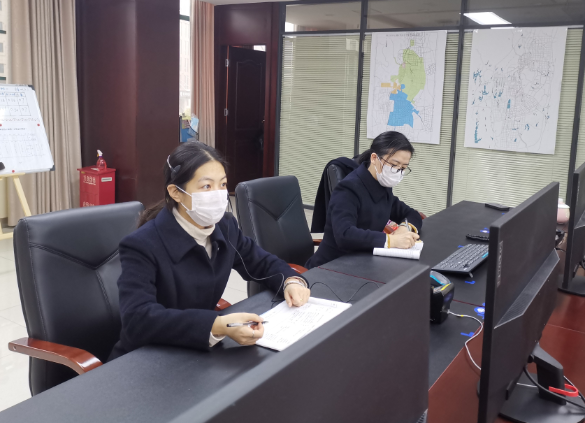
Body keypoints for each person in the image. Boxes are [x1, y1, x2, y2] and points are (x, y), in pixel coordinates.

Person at [109, 142, 310, 360]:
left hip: (197, 351)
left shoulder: (225, 226)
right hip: (146, 358)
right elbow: (137, 319)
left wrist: (290, 280)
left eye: (222, 184)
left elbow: (261, 262)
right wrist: (217, 325)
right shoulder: (141, 245)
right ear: (176, 192)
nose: (218, 194)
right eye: (206, 186)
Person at [306, 131, 422, 269]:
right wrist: (391, 240)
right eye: (394, 165)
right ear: (374, 158)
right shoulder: (348, 188)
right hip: (331, 267)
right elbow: (345, 234)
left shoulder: (382, 186)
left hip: (363, 262)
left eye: (403, 168)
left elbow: (412, 214)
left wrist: (404, 228)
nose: (398, 172)